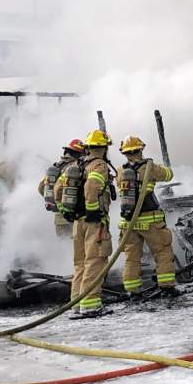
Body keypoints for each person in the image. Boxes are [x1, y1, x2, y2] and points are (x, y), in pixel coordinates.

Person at [55, 129, 114, 317]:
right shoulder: (99, 165)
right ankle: (91, 305)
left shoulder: (76, 166)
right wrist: (93, 210)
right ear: (104, 148)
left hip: (77, 222)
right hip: (93, 223)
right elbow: (91, 187)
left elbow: (57, 189)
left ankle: (76, 303)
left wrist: (65, 210)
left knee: (80, 263)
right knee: (95, 261)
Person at [117, 135, 178, 298]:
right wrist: (153, 165)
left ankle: (132, 291)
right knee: (163, 252)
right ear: (140, 149)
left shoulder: (120, 171)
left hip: (128, 222)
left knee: (131, 257)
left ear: (125, 153)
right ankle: (167, 288)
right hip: (150, 220)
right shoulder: (149, 167)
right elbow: (168, 175)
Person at [40, 140, 84, 238]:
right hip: (74, 217)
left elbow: (41, 188)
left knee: (63, 247)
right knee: (75, 248)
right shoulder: (77, 167)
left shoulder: (55, 167)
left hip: (59, 219)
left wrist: (54, 200)